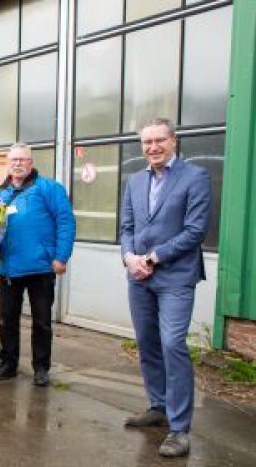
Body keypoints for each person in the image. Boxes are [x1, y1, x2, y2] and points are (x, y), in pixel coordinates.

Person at [120, 118, 211, 458]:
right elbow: (126, 225)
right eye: (147, 142)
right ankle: (158, 406)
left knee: (173, 344)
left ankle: (179, 428)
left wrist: (153, 257)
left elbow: (195, 231)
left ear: (173, 141)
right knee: (147, 343)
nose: (153, 147)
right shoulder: (135, 180)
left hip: (175, 276)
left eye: (160, 140)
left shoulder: (195, 177)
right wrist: (129, 257)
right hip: (139, 276)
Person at [0, 143, 76, 387]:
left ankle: (41, 368)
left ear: (31, 162)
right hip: (8, 268)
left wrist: (61, 257)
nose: (17, 164)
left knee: (41, 321)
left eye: (22, 160)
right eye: (13, 160)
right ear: (8, 163)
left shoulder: (50, 189)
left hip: (41, 267)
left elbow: (66, 222)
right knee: (7, 319)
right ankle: (9, 363)